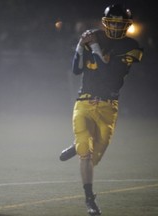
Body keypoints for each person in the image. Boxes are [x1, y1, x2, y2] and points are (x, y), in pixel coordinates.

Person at [59, 4, 143, 215]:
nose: (115, 26)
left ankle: (77, 145)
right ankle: (90, 199)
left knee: (94, 157)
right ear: (105, 22)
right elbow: (76, 70)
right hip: (84, 102)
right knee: (85, 156)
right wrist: (80, 45)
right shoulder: (95, 36)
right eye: (112, 22)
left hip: (108, 106)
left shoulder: (131, 45)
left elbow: (109, 76)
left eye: (119, 23)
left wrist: (94, 48)